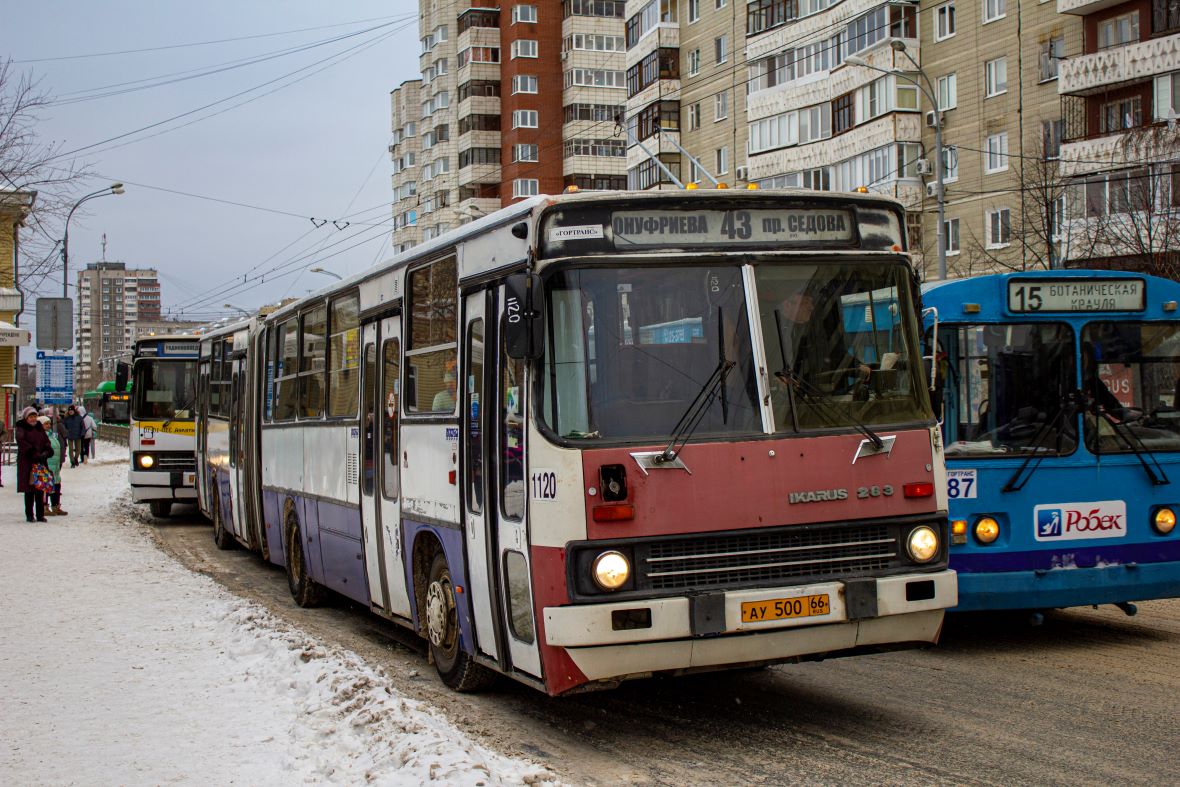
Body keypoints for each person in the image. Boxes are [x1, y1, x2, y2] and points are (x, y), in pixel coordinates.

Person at [767, 290, 870, 393]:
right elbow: (762, 368)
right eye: (806, 302)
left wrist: (857, 367)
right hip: (784, 402)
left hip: (813, 398)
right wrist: (774, 380)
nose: (811, 307)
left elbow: (834, 355)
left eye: (811, 303)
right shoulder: (767, 331)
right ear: (787, 305)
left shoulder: (814, 331)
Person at [15, 406, 51, 522]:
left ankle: (40, 515)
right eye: (31, 416)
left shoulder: (39, 428)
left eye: (35, 416)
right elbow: (22, 442)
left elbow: (46, 442)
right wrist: (34, 453)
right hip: (27, 463)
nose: (33, 419)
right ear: (26, 418)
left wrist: (46, 452)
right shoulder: (22, 428)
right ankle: (29, 515)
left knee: (40, 490)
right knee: (29, 490)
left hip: (40, 462)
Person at [39, 415, 67, 516]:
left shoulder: (51, 435)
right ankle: (44, 506)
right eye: (46, 423)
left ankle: (56, 506)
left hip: (55, 465)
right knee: (46, 486)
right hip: (47, 464)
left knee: (56, 485)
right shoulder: (41, 436)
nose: (48, 425)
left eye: (49, 423)